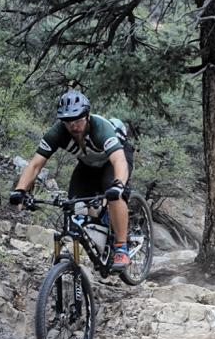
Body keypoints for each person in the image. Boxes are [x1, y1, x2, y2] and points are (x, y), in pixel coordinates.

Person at [9, 90, 134, 269]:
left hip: (114, 159)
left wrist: (119, 185)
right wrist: (20, 190)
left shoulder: (100, 129)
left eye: (78, 121)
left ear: (87, 116)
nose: (73, 126)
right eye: (68, 122)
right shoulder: (58, 132)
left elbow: (119, 161)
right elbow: (35, 164)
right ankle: (97, 248)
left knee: (114, 194)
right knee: (75, 206)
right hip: (88, 165)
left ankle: (121, 247)